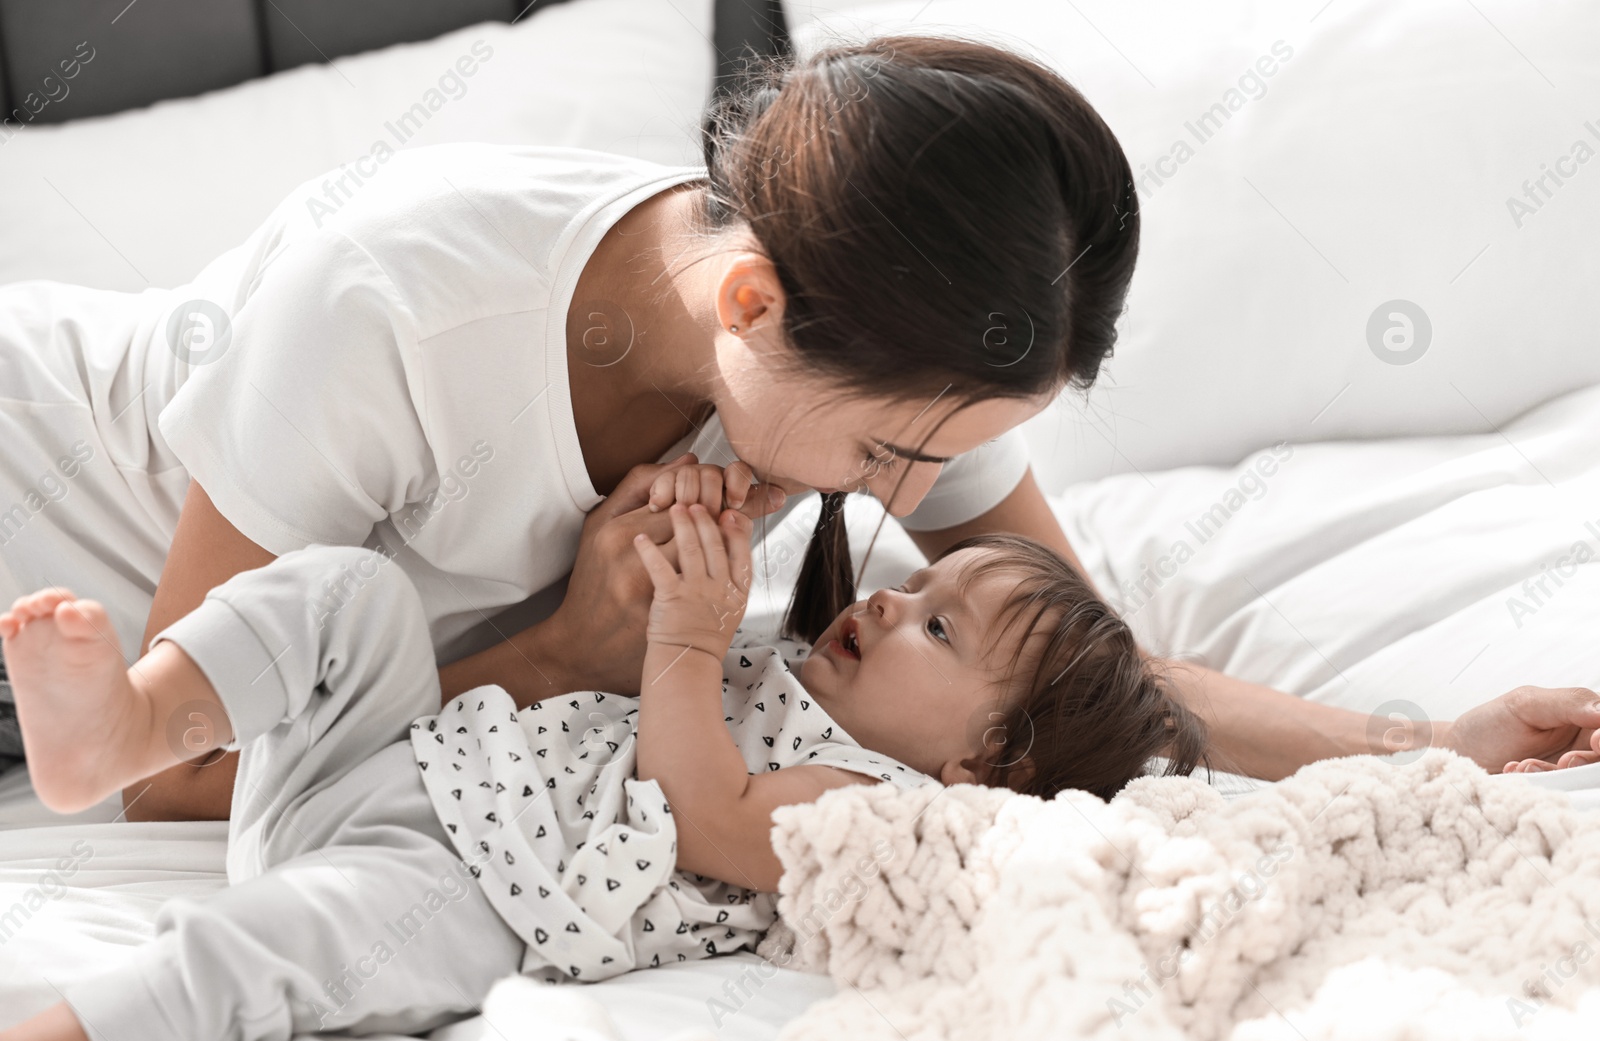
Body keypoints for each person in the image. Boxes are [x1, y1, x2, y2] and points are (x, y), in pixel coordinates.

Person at [0, 35, 1592, 821]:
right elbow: (149, 775)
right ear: (751, 302)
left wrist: (1417, 748)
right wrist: (556, 655)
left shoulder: (897, 342)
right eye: (894, 459)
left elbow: (1073, 664)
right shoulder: (390, 315)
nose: (914, 498)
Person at [0, 478, 1203, 1041]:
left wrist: (685, 637)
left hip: (466, 888)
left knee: (270, 947)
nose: (890, 598)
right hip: (394, 764)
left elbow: (703, 814)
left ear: (983, 759)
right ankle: (129, 726)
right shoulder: (797, 673)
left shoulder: (868, 806)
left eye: (936, 631)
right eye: (920, 585)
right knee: (347, 591)